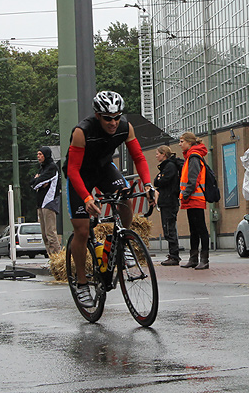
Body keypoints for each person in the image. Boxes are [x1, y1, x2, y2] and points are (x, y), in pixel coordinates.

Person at [65, 91, 155, 307]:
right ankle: (81, 282)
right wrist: (86, 197)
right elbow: (73, 169)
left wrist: (149, 185)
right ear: (98, 116)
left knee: (125, 198)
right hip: (80, 174)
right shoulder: (82, 131)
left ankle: (122, 245)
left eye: (116, 117)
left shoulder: (126, 127)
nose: (113, 123)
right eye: (108, 118)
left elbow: (139, 157)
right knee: (82, 230)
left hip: (105, 169)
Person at [177, 132, 211, 270]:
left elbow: (193, 179)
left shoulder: (193, 157)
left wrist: (185, 194)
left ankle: (203, 258)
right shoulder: (191, 156)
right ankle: (194, 258)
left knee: (200, 228)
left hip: (194, 197)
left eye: (181, 141)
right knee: (194, 229)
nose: (180, 144)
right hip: (192, 198)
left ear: (189, 143)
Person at [30, 146, 62, 255]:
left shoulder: (52, 168)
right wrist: (37, 180)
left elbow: (36, 183)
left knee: (51, 233)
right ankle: (51, 258)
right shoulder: (42, 168)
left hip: (49, 203)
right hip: (41, 204)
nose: (38, 156)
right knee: (44, 235)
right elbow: (33, 183)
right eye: (38, 154)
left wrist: (37, 180)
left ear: (46, 155)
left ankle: (58, 258)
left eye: (40, 154)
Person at [153, 145, 181, 266]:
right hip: (167, 201)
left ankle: (174, 256)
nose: (156, 156)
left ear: (163, 154)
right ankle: (173, 254)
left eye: (158, 153)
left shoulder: (169, 167)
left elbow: (161, 181)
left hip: (169, 201)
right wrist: (159, 179)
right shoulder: (166, 167)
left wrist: (160, 179)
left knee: (169, 228)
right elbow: (156, 181)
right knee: (168, 228)